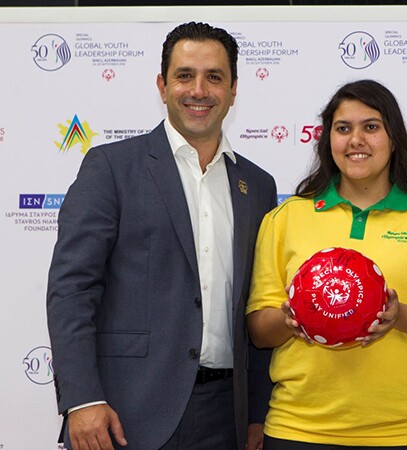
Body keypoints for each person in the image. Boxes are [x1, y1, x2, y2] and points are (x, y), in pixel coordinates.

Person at [46, 22, 276, 450]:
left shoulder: (258, 185)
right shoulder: (111, 168)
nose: (199, 90)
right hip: (123, 412)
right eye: (184, 75)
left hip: (228, 415)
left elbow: (259, 303)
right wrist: (81, 398)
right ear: (162, 84)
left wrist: (258, 414)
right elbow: (72, 289)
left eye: (214, 77)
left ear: (234, 88)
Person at [246, 79, 407, 449]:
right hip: (300, 430)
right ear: (328, 141)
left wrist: (398, 315)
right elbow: (259, 330)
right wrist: (290, 318)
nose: (356, 140)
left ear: (394, 138)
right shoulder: (286, 218)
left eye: (371, 127)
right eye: (343, 128)